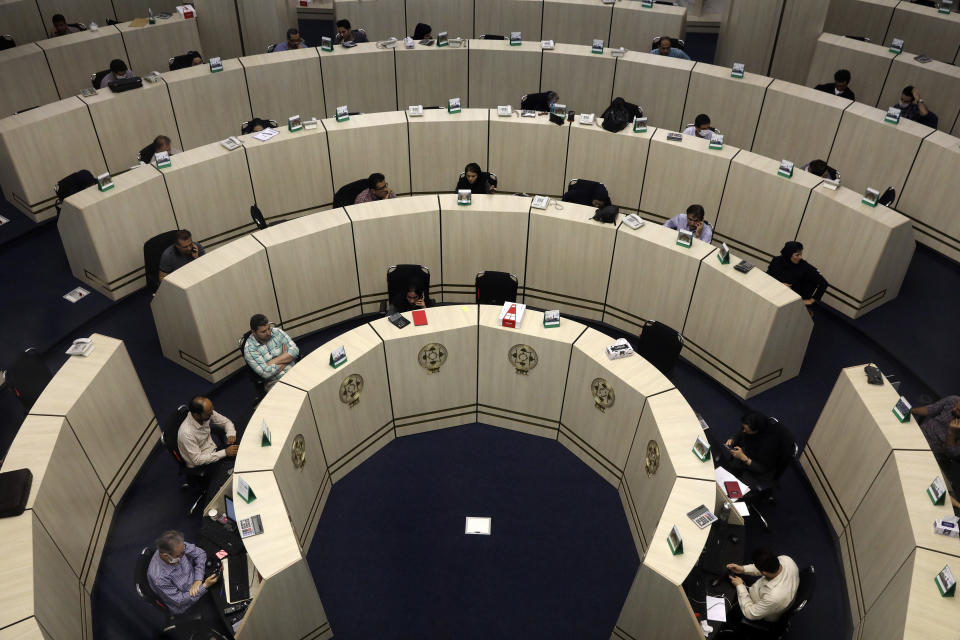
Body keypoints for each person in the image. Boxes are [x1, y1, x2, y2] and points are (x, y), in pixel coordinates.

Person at [177, 396, 237, 510]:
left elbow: (226, 422)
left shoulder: (205, 414)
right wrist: (225, 452)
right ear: (196, 415)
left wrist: (230, 433)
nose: (212, 414)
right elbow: (197, 460)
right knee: (227, 478)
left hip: (211, 450)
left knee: (237, 453)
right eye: (208, 414)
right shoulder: (186, 433)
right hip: (201, 463)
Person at [147, 530, 219, 615]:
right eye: (179, 555)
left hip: (197, 580)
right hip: (187, 603)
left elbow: (200, 554)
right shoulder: (159, 578)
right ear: (166, 556)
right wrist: (204, 586)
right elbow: (179, 600)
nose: (183, 555)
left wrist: (198, 579)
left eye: (183, 551)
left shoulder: (177, 546)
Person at [726, 549, 800, 622]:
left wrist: (740, 586)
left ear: (764, 573)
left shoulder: (774, 597)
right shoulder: (787, 560)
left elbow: (750, 613)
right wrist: (743, 569)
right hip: (771, 598)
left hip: (763, 610)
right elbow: (765, 566)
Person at [723, 411, 791, 488]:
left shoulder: (768, 446)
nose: (744, 431)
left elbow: (762, 469)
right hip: (748, 455)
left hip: (758, 471)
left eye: (747, 430)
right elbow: (741, 432)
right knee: (726, 474)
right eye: (743, 427)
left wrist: (743, 457)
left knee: (735, 490)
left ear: (757, 431)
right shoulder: (751, 427)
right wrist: (733, 439)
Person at [766, 241, 829, 312]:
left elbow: (824, 283)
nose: (800, 257)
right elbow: (768, 277)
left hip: (792, 302)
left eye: (801, 254)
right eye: (797, 255)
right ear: (789, 254)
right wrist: (780, 285)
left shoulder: (804, 266)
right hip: (773, 294)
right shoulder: (777, 261)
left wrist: (812, 301)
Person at [244, 313, 300, 389]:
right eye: (263, 332)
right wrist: (285, 357)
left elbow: (295, 350)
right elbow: (266, 373)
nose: (268, 333)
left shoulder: (277, 332)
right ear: (254, 332)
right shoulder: (249, 349)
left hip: (293, 370)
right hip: (274, 382)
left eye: (268, 328)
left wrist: (271, 363)